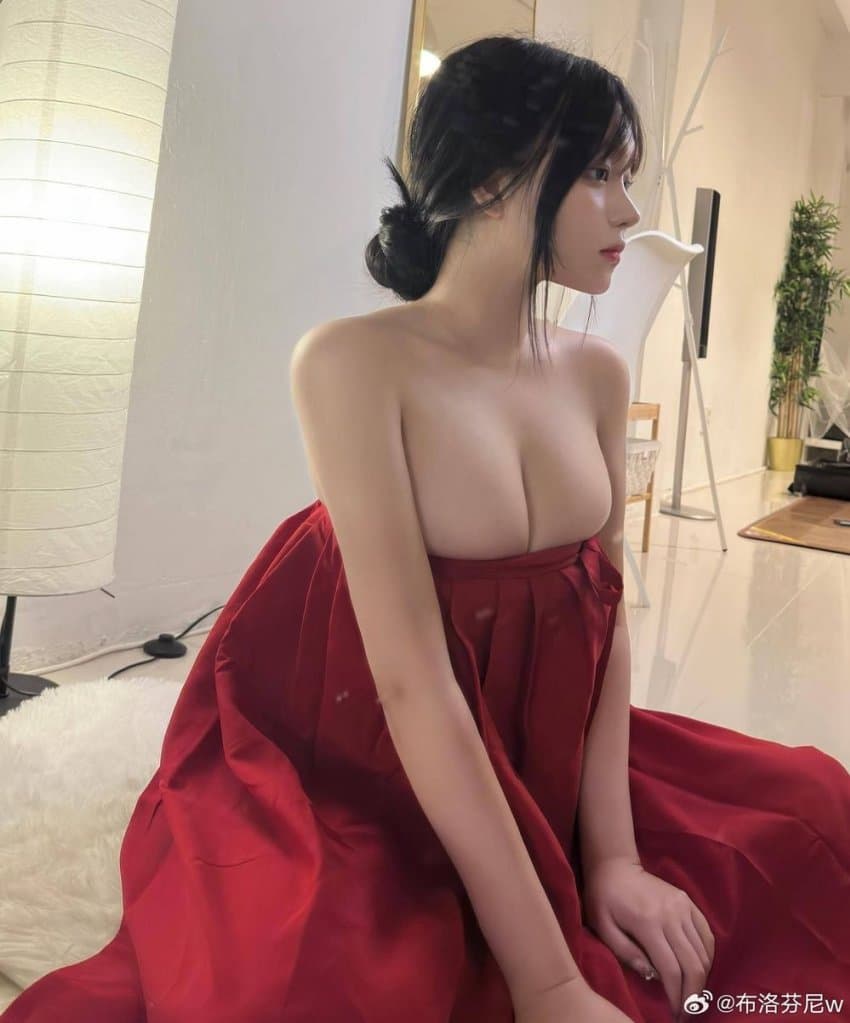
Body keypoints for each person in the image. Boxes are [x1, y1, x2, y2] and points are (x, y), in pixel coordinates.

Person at [3, 34, 849, 1023]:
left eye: (628, 176)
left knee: (807, 813)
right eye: (597, 175)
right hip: (372, 752)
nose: (628, 209)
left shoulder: (596, 374)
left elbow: (605, 620)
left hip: (542, 739)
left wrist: (612, 857)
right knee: (318, 984)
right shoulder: (352, 364)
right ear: (490, 180)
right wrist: (548, 982)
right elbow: (412, 684)